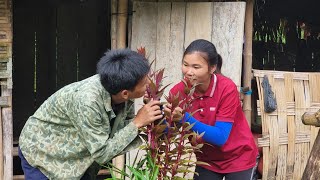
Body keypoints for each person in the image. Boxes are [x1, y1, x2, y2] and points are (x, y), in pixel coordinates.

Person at [18, 48, 163, 179]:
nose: (148, 84)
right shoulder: (87, 101)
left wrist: (151, 120)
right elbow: (102, 153)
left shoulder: (120, 91)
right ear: (125, 93)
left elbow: (121, 130)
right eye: (144, 83)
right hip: (43, 153)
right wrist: (137, 123)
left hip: (76, 156)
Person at [167, 39, 259, 180]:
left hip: (238, 157)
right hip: (206, 160)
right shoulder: (178, 91)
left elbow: (220, 137)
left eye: (196, 67)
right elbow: (170, 132)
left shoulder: (226, 88)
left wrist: (184, 118)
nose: (189, 72)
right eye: (185, 65)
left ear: (212, 68)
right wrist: (165, 119)